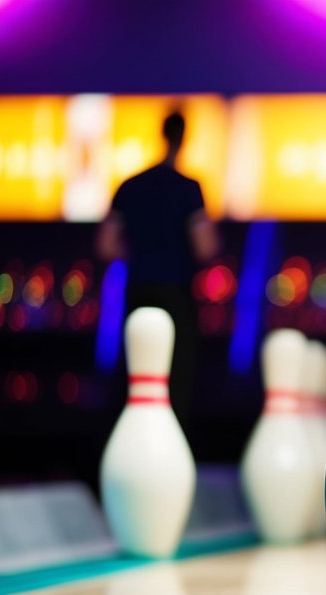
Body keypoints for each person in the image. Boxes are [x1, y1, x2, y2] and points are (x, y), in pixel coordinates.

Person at [97, 110, 218, 429]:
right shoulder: (189, 188)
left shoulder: (130, 185)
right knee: (176, 381)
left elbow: (106, 246)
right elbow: (205, 247)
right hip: (176, 296)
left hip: (137, 292)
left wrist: (140, 250)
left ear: (161, 134)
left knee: (133, 377)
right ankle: (169, 450)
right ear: (184, 138)